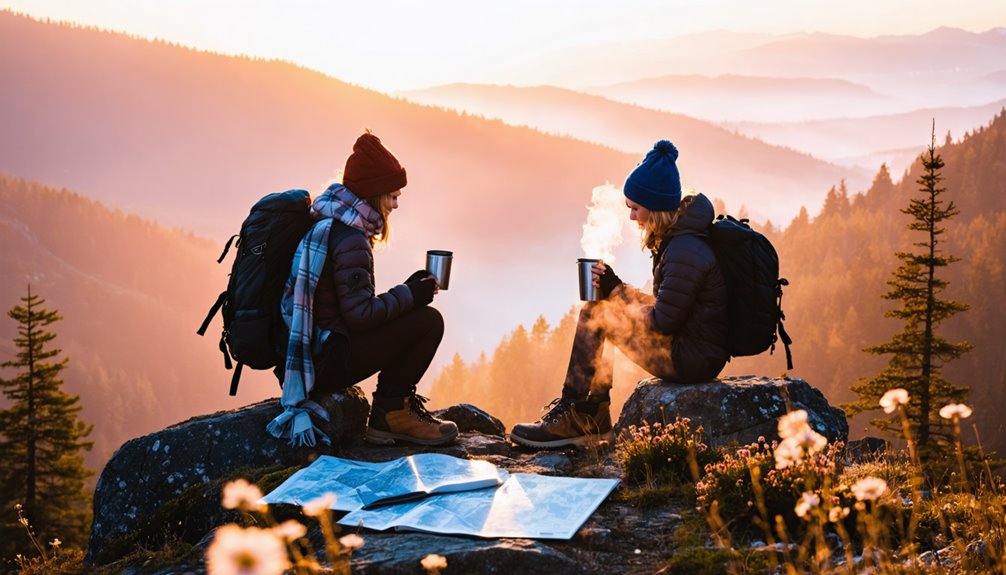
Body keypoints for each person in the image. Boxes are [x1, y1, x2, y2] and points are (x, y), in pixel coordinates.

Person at [509, 139, 730, 449]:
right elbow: (668, 308)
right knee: (601, 307)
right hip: (692, 346)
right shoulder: (681, 240)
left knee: (595, 315)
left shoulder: (683, 250)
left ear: (655, 208)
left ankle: (577, 413)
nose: (631, 217)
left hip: (690, 359)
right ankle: (592, 411)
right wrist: (618, 290)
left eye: (635, 208)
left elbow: (663, 322)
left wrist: (615, 293)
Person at [267, 130, 458, 447]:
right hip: (326, 361)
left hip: (311, 351)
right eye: (392, 196)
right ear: (374, 194)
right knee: (428, 322)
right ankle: (392, 413)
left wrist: (409, 290)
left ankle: (392, 413)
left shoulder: (331, 221)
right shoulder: (350, 238)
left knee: (416, 313)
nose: (396, 205)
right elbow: (360, 316)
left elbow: (351, 307)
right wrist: (412, 295)